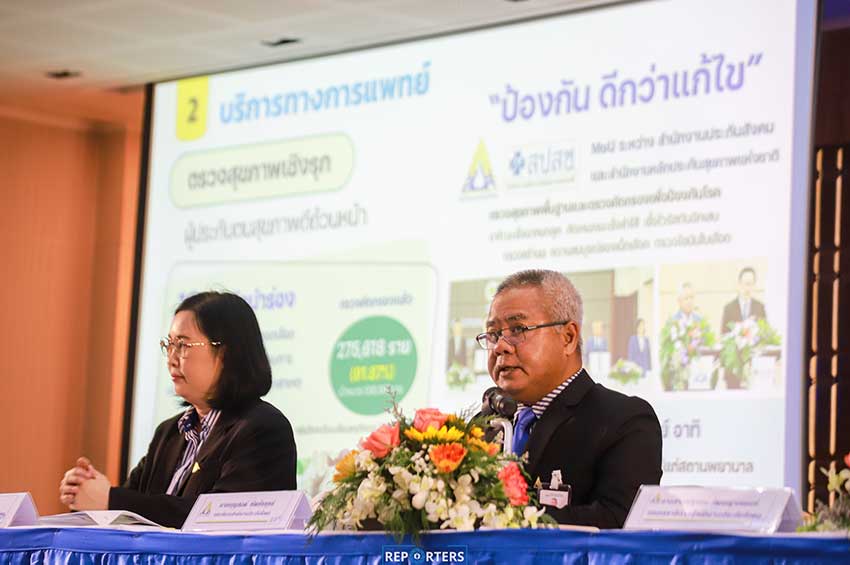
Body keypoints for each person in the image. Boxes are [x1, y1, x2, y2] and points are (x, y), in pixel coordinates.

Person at [59, 292, 297, 528]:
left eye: (183, 345)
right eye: (169, 345)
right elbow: (130, 506)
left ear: (225, 353)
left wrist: (111, 499)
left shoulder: (263, 428)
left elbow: (219, 521)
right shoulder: (169, 433)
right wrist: (88, 492)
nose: (171, 359)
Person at [477, 269, 662, 528]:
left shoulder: (624, 420)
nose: (499, 346)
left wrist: (501, 520)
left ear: (568, 337)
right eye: (493, 334)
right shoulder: (484, 425)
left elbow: (617, 522)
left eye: (518, 329)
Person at [720, 267, 767, 333]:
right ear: (739, 284)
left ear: (754, 285)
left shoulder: (760, 307)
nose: (747, 288)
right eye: (745, 283)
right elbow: (724, 334)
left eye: (750, 284)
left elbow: (765, 333)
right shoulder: (728, 309)